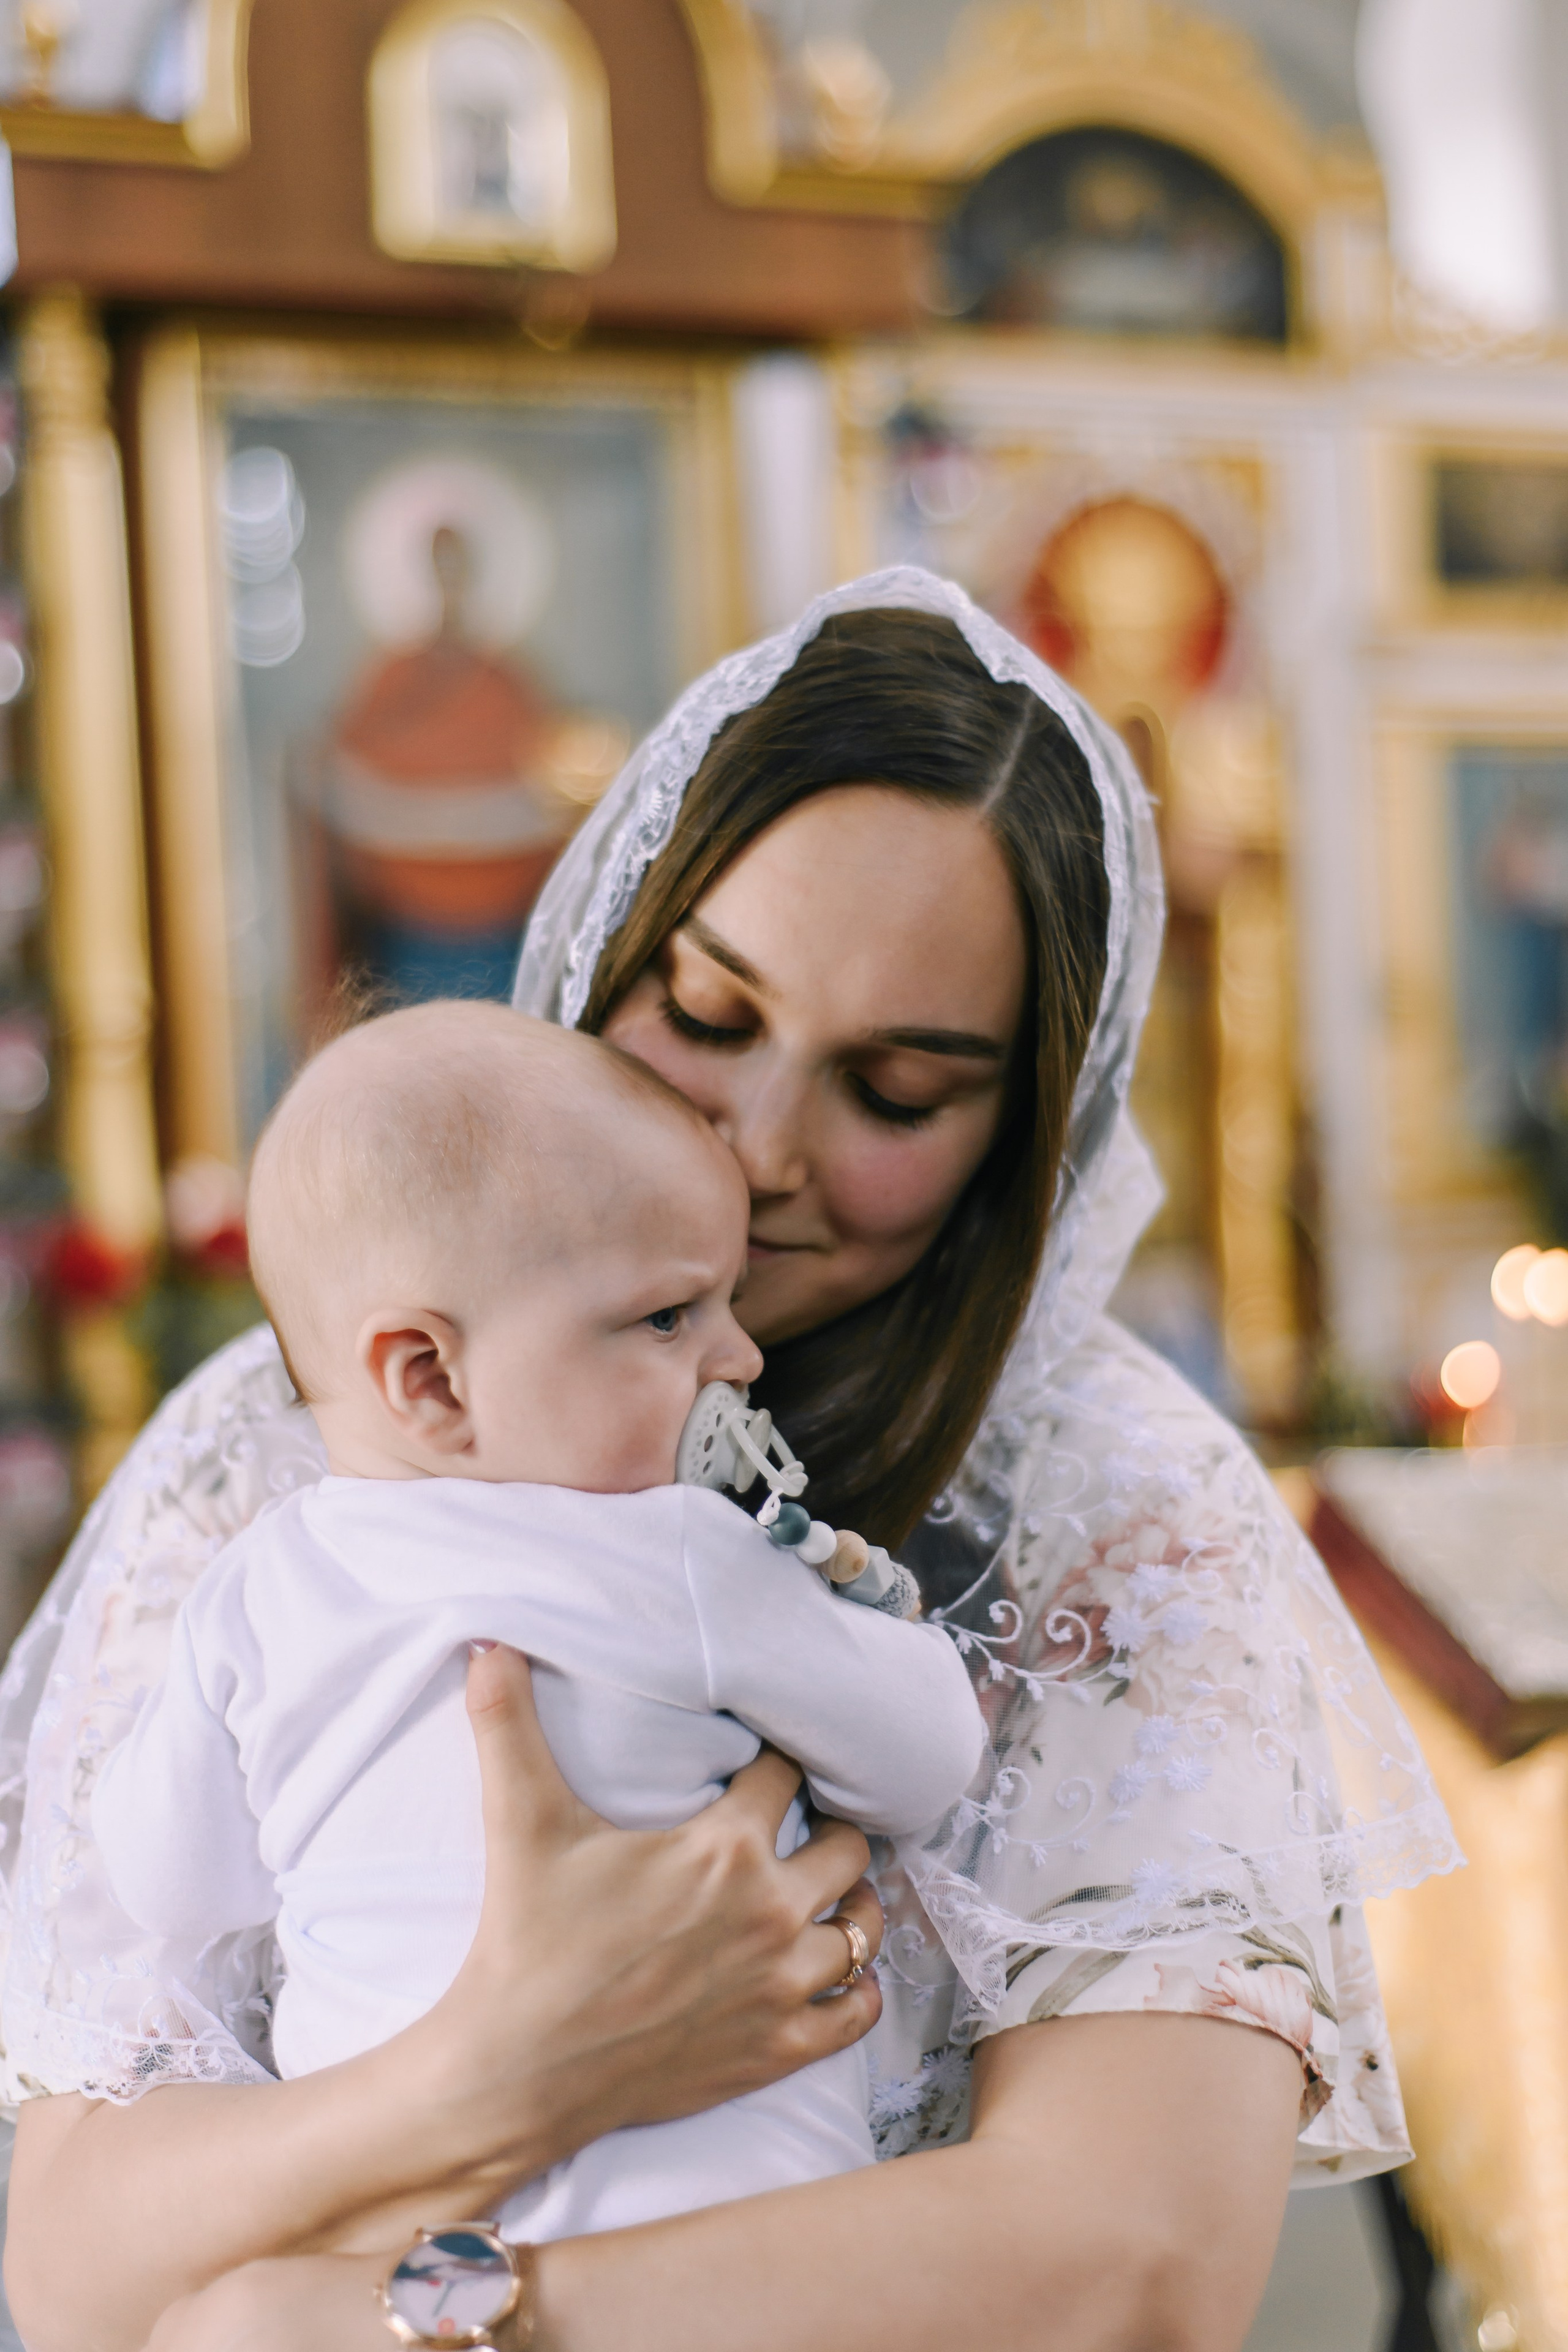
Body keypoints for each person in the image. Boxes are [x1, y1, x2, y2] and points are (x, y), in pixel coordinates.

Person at [0, 570, 1459, 2352]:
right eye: (703, 1014)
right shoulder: (279, 1442)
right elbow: (67, 2260)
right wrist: (503, 2063)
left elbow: (1130, 2267)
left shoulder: (1116, 1506)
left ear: (1026, 1133)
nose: (756, 1150)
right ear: (614, 941)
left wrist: (422, 2323)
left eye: (899, 1094)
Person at [91, 1001, 984, 2242]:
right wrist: (864, 1607)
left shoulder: (248, 1594)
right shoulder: (677, 1551)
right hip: (720, 2230)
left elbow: (169, 1881)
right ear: (432, 1379)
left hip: (396, 2219)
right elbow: (928, 1758)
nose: (738, 1355)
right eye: (669, 1317)